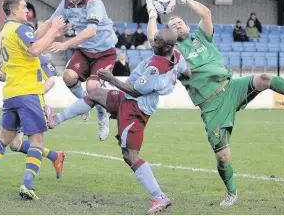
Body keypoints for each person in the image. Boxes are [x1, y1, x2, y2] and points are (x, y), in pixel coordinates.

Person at [147, 0, 284, 207]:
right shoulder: (173, 52)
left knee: (264, 78)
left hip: (231, 88)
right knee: (223, 157)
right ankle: (231, 192)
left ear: (187, 26)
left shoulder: (202, 37)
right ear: (170, 34)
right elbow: (153, 39)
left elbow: (205, 13)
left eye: (180, 23)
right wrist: (151, 14)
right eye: (173, 26)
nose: (178, 26)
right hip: (211, 106)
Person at [45, 28, 190, 214]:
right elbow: (188, 71)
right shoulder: (176, 56)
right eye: (154, 39)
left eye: (157, 41)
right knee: (95, 93)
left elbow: (135, 90)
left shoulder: (156, 67)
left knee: (130, 156)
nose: (153, 43)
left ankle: (159, 196)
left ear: (167, 46)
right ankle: (56, 119)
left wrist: (111, 78)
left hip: (135, 110)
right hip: (129, 100)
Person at [0, 0, 66, 200]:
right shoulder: (21, 29)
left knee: (4, 139)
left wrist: (46, 28)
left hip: (11, 94)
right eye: (24, 7)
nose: (26, 10)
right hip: (29, 93)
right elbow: (35, 48)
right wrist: (54, 31)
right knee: (36, 141)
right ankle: (26, 186)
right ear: (13, 11)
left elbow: (30, 40)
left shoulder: (5, 31)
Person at [47, 0, 118, 141]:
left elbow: (91, 31)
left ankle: (102, 116)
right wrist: (35, 41)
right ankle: (85, 106)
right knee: (68, 77)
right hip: (85, 51)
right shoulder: (66, 3)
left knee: (93, 87)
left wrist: (64, 44)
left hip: (105, 53)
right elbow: (50, 23)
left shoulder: (93, 2)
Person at [0, 54, 65, 183]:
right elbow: (7, 76)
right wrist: (1, 76)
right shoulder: (15, 55)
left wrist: (33, 95)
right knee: (14, 144)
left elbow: (51, 81)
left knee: (2, 136)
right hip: (17, 101)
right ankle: (55, 155)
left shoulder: (39, 58)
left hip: (29, 105)